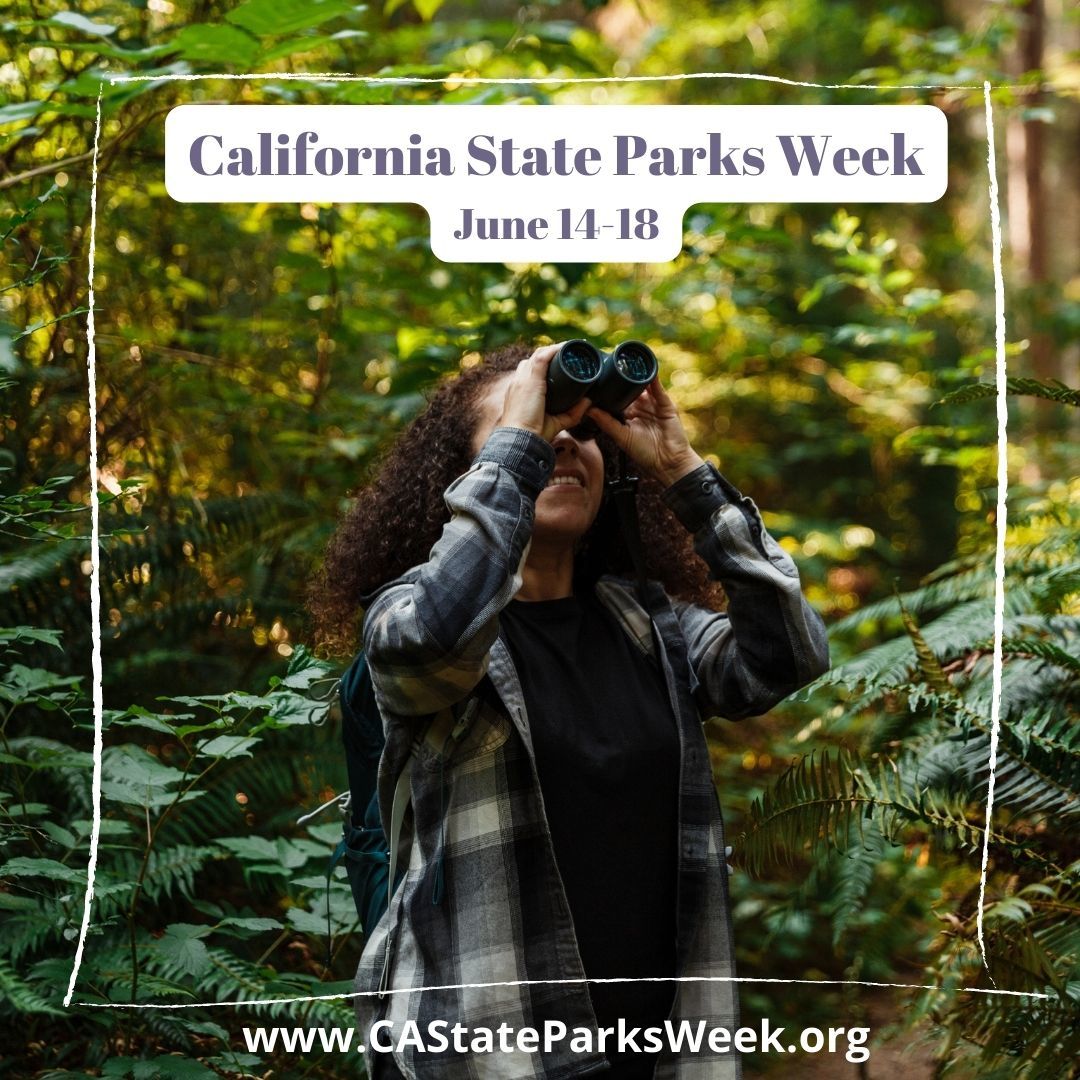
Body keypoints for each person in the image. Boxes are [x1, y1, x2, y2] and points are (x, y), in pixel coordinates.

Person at [310, 341, 830, 1079]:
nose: (561, 441)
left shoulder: (652, 626)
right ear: (470, 476)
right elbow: (432, 637)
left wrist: (684, 473)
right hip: (491, 1054)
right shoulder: (414, 621)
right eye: (529, 426)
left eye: (585, 431)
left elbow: (788, 653)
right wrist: (520, 453)